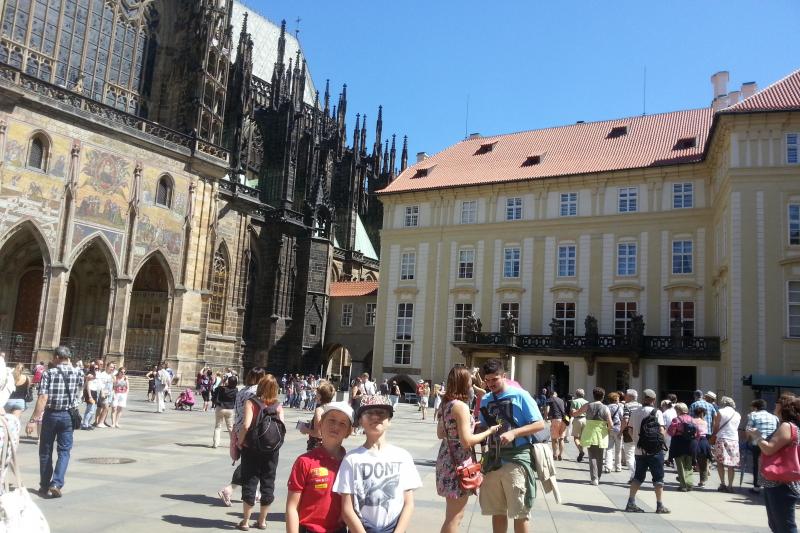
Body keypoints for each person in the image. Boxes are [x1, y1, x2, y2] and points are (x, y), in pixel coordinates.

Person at [333, 394, 422, 533]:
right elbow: (347, 509)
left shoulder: (402, 456)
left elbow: (408, 503)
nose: (375, 417)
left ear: (389, 420)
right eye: (369, 413)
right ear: (361, 421)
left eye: (381, 413)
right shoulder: (352, 459)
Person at [478, 359, 545, 533]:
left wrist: (514, 433)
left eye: (495, 379)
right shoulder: (485, 399)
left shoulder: (520, 395)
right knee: (497, 511)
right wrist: (476, 426)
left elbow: (539, 424)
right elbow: (485, 426)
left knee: (520, 512)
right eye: (488, 380)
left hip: (517, 459)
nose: (491, 384)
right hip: (493, 460)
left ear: (504, 376)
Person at [436, 366, 501, 533]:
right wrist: (489, 431)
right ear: (464, 382)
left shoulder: (446, 404)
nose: (472, 383)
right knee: (455, 516)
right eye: (470, 380)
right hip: (459, 462)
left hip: (446, 459)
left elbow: (441, 433)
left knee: (452, 514)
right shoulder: (461, 407)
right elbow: (467, 442)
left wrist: (471, 424)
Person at [286, 401, 353, 533]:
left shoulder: (351, 463)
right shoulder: (305, 461)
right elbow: (292, 507)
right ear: (321, 424)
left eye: (342, 423)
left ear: (348, 432)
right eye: (332, 420)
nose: (336, 426)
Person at [26, 346, 83, 498]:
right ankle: (56, 483)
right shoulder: (78, 372)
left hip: (51, 415)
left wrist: (33, 420)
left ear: (57, 356)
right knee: (64, 451)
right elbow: (79, 392)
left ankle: (44, 485)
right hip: (68, 416)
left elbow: (43, 398)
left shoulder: (49, 373)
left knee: (45, 451)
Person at [236, 374, 284, 531]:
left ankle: (245, 522)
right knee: (268, 482)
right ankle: (262, 521)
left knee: (250, 481)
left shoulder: (252, 402)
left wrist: (240, 441)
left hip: (252, 447)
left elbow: (246, 425)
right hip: (271, 451)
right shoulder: (277, 405)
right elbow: (282, 427)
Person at [747, 393, 800, 533]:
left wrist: (757, 437)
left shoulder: (787, 426)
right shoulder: (787, 426)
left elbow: (769, 449)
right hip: (778, 482)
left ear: (783, 406)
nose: (774, 405)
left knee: (784, 526)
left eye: (777, 402)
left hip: (781, 483)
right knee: (778, 525)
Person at [218, 367, 266, 506]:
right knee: (251, 463)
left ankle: (252, 492)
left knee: (250, 461)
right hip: (251, 430)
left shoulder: (242, 390)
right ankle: (229, 489)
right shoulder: (256, 392)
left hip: (239, 429)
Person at [623, 388, 669, 514]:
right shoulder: (656, 412)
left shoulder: (636, 412)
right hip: (655, 451)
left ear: (643, 399)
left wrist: (637, 441)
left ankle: (631, 502)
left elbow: (630, 430)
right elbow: (661, 430)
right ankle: (659, 505)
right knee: (658, 478)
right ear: (653, 400)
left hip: (639, 451)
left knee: (638, 477)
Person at [573, 387, 612, 485]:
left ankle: (594, 478)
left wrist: (573, 412)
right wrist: (608, 430)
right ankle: (598, 476)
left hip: (590, 432)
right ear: (603, 397)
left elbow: (576, 413)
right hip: (601, 433)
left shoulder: (588, 405)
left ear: (593, 396)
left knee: (592, 456)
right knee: (600, 456)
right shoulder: (605, 407)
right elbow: (610, 423)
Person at [746, 398, 779, 494]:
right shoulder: (774, 417)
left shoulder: (753, 415)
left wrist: (748, 440)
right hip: (771, 444)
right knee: (770, 463)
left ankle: (757, 486)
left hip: (758, 443)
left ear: (755, 407)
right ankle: (770, 484)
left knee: (757, 464)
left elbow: (748, 429)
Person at [712, 396, 741, 493]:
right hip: (734, 440)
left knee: (720, 462)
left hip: (722, 438)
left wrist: (713, 436)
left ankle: (722, 483)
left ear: (723, 403)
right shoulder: (738, 414)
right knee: (731, 464)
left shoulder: (720, 412)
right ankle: (730, 486)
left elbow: (716, 427)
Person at [667, 403, 696, 491]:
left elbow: (671, 432)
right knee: (689, 465)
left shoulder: (676, 420)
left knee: (680, 465)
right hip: (690, 443)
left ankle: (683, 485)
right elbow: (696, 433)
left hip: (678, 442)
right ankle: (689, 483)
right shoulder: (692, 419)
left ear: (679, 410)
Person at [299, 380, 336, 451]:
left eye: (317, 394)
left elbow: (318, 433)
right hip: (329, 446)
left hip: (316, 446)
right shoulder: (332, 408)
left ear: (321, 396)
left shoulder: (319, 410)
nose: (315, 395)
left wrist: (305, 430)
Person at [212, 375, 238, 448]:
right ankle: (233, 443)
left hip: (220, 408)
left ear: (228, 381)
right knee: (230, 428)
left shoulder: (221, 389)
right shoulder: (235, 390)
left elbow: (215, 389)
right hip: (230, 409)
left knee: (218, 427)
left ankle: (215, 444)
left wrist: (222, 381)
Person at [621, 389, 641, 478]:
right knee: (636, 455)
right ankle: (634, 476)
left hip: (629, 433)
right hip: (640, 433)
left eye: (626, 395)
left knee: (629, 456)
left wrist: (620, 431)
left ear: (630, 397)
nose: (625, 396)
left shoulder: (627, 406)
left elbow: (625, 420)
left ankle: (636, 474)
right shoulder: (641, 406)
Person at [692, 406, 713, 488]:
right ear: (701, 413)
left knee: (691, 461)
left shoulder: (692, 421)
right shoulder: (705, 422)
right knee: (703, 463)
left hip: (694, 441)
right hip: (703, 441)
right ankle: (702, 481)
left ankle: (686, 478)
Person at [604, 391, 624, 473]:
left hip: (609, 429)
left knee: (609, 448)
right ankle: (618, 466)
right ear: (616, 399)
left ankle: (608, 466)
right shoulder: (619, 408)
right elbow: (622, 418)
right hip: (618, 429)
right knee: (618, 449)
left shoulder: (606, 407)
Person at [547, 391, 567, 460]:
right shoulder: (561, 400)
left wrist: (546, 417)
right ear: (556, 394)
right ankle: (560, 454)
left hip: (555, 419)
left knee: (554, 439)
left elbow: (547, 409)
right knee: (561, 439)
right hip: (563, 421)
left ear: (551, 395)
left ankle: (555, 454)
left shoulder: (550, 399)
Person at [569, 389, 588, 462]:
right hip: (585, 419)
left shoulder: (574, 401)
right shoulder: (586, 402)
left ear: (576, 394)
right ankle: (581, 452)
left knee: (576, 438)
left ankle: (581, 451)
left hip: (577, 419)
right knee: (582, 438)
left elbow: (572, 412)